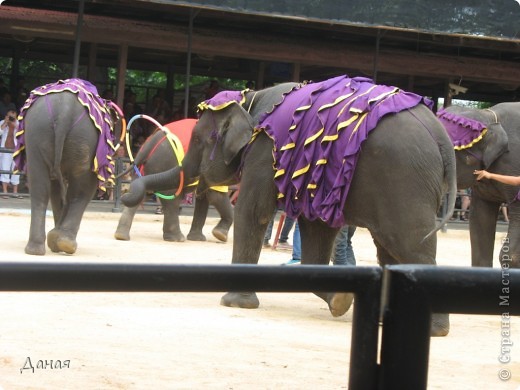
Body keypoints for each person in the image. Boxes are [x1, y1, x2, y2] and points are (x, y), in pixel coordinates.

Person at [0, 109, 22, 198]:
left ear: (16, 116)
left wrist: (14, 125)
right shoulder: (2, 122)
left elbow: (21, 134)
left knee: (16, 171)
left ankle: (15, 192)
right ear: (6, 116)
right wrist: (5, 123)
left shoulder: (19, 124)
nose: (11, 118)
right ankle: (5, 192)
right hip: (5, 150)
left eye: (13, 117)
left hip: (16, 150)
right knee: (4, 170)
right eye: (10, 116)